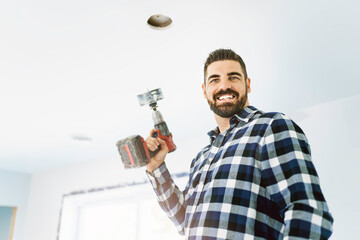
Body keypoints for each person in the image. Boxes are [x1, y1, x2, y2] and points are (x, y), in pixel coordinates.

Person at [145, 49, 333, 239]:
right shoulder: (201, 158)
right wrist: (157, 167)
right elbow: (185, 222)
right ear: (205, 90)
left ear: (247, 84)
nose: (224, 86)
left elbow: (307, 211)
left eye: (233, 77)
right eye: (215, 80)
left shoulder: (270, 126)